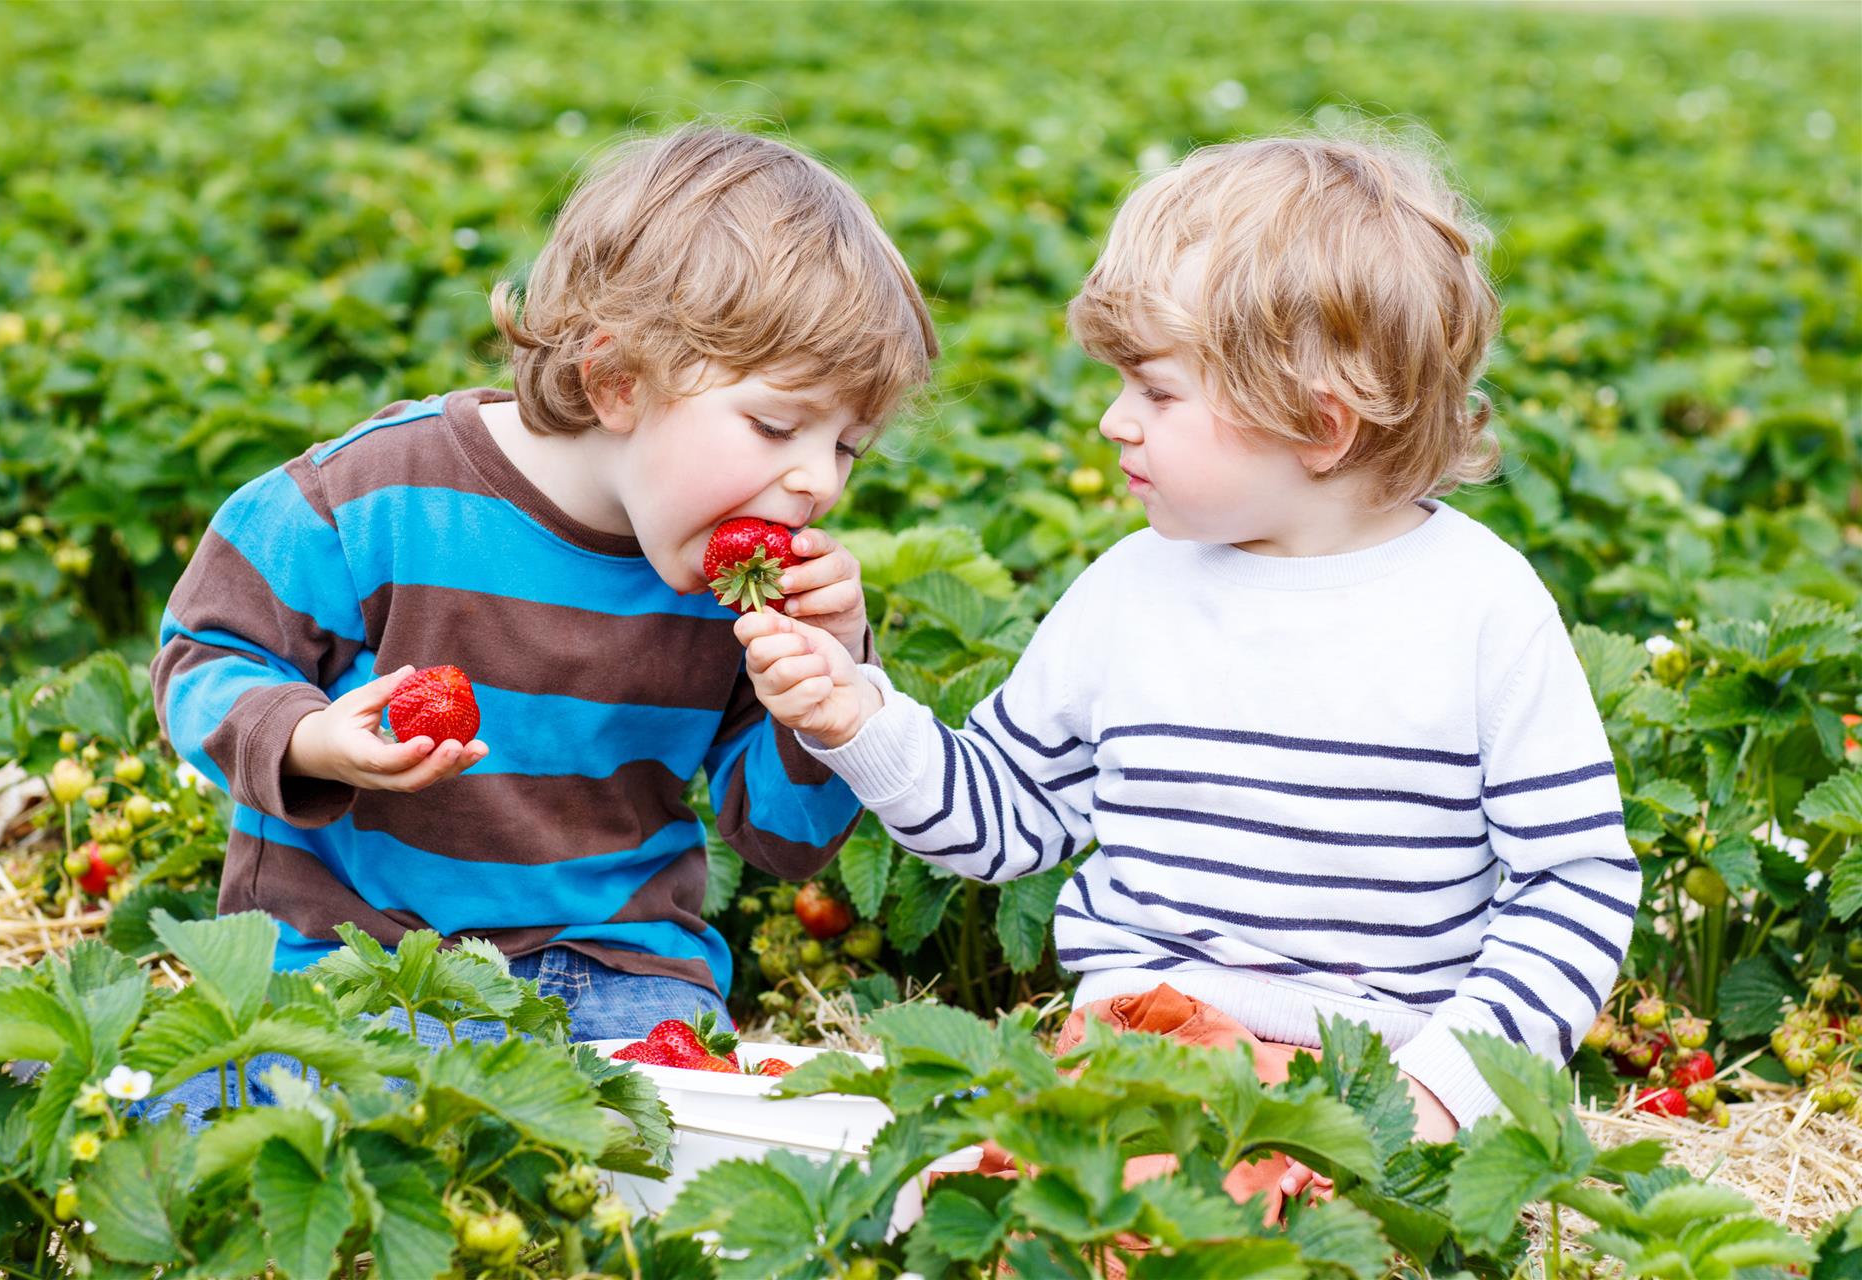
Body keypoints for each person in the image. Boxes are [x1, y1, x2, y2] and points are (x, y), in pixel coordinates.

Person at [735, 132, 1638, 1223]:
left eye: (1155, 391)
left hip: (1376, 1081)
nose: (1115, 419)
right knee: (960, 1204)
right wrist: (858, 713)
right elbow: (1007, 819)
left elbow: (1575, 882)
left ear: (1318, 422)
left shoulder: (1481, 607)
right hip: (1143, 1041)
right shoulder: (1131, 588)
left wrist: (1447, 1084)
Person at [136, 125, 937, 1130]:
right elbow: (206, 652)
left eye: (848, 446)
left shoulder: (747, 595)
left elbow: (784, 839)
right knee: (290, 1109)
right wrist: (308, 739)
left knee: (677, 1140)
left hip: (620, 967)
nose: (817, 479)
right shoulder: (377, 497)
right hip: (366, 952)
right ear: (616, 380)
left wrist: (832, 695)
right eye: (777, 426)